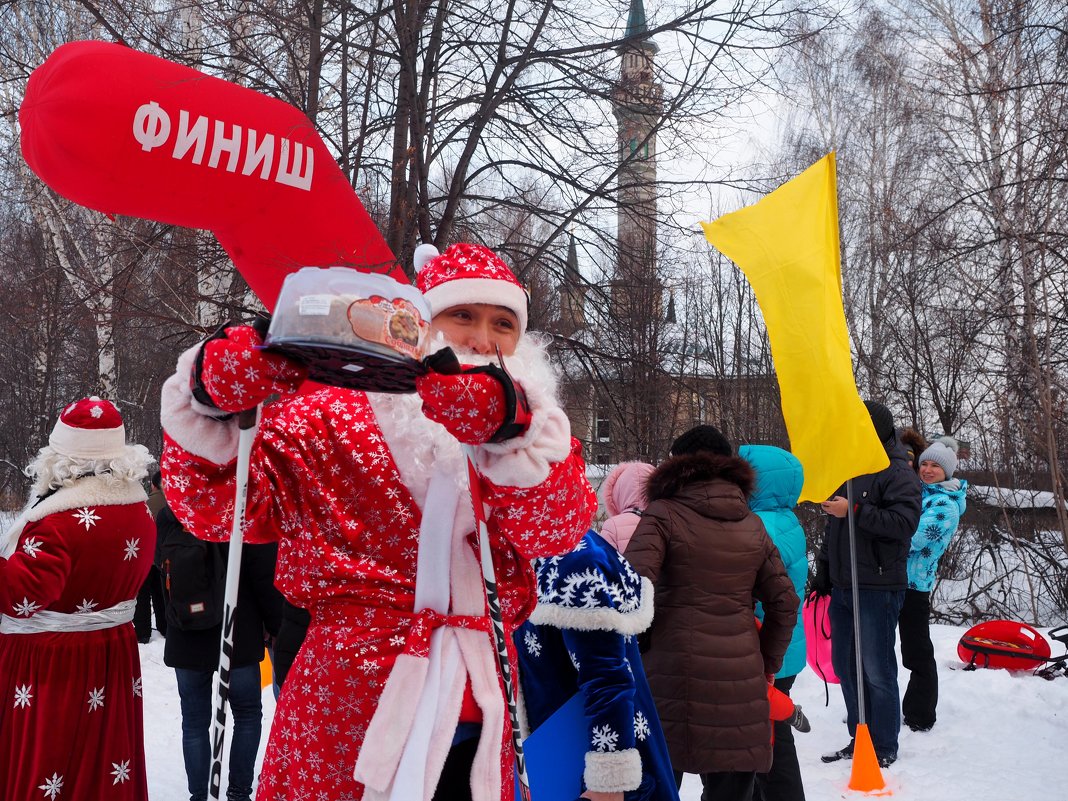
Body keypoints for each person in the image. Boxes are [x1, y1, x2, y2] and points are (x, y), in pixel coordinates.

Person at [159, 242, 596, 801]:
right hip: (350, 702)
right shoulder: (331, 413)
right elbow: (215, 511)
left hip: (480, 709)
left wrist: (506, 436)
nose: (483, 340)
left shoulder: (535, 442)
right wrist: (211, 400)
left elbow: (554, 531)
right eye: (462, 315)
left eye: (503, 323)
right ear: (421, 323)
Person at [626, 425, 798, 801]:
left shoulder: (663, 514)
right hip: (740, 680)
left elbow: (632, 589)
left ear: (677, 464)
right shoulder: (752, 524)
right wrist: (766, 664)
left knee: (655, 786)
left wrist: (642, 645)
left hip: (669, 680)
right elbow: (784, 602)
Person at [0, 397, 156, 801]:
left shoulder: (60, 522)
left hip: (53, 664)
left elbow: (23, 595)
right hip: (111, 656)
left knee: (50, 760)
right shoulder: (138, 510)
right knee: (102, 759)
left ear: (62, 454)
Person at [515, 461, 678, 801]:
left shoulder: (574, 559)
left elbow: (607, 676)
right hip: (552, 750)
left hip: (592, 763)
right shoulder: (524, 552)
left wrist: (608, 782)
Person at [812, 400, 922, 769]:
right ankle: (859, 737)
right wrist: (824, 571)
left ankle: (885, 743)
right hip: (844, 585)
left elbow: (903, 525)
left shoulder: (897, 472)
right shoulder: (849, 467)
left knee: (876, 669)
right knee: (846, 666)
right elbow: (834, 529)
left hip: (877, 586)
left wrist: (855, 511)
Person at [157, 501, 283, 801]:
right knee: (248, 714)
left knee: (195, 719)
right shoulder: (242, 507)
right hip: (239, 628)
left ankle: (199, 795)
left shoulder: (172, 510)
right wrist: (275, 626)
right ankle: (239, 793)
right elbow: (264, 574)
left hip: (187, 628)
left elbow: (159, 562)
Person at [740, 444, 808, 801]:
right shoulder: (786, 520)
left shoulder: (761, 526)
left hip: (768, 646)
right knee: (771, 728)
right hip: (786, 645)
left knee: (770, 737)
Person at [898, 438, 967, 733]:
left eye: (935, 466)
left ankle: (921, 713)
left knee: (917, 652)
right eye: (924, 464)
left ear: (947, 472)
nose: (927, 469)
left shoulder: (945, 504)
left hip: (914, 586)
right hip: (894, 580)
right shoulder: (920, 493)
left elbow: (913, 539)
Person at [134, 470, 168, 643]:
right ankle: (165, 626)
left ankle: (142, 632)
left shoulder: (144, 503)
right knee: (161, 592)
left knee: (142, 595)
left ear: (153, 485)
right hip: (164, 557)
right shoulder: (173, 504)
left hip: (144, 554)